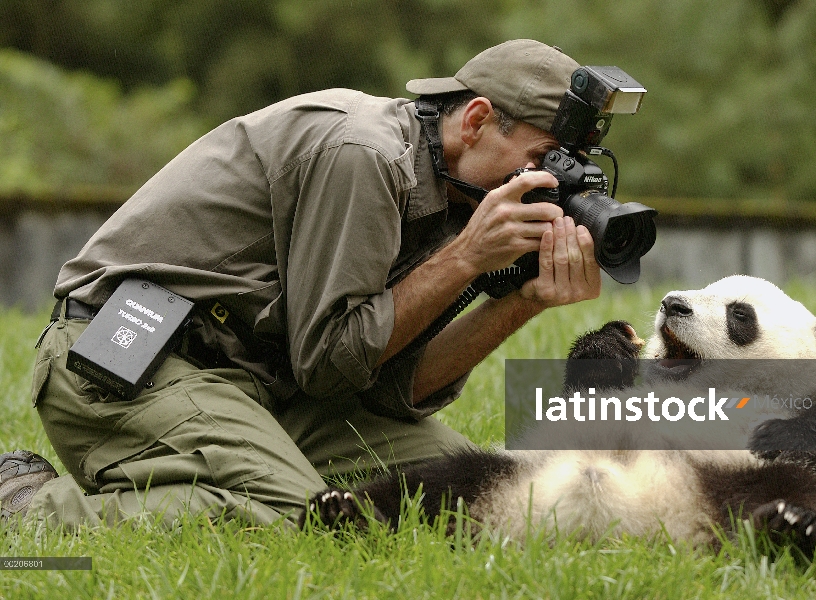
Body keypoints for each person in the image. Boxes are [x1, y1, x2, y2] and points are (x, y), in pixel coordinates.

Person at [0, 39, 602, 528]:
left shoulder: (453, 195)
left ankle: (227, 468)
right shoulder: (363, 153)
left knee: (465, 492)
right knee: (309, 521)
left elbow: (391, 385)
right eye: (545, 158)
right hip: (126, 357)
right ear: (475, 121)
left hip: (255, 382)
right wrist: (467, 259)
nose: (549, 184)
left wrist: (523, 303)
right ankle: (27, 508)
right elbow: (329, 363)